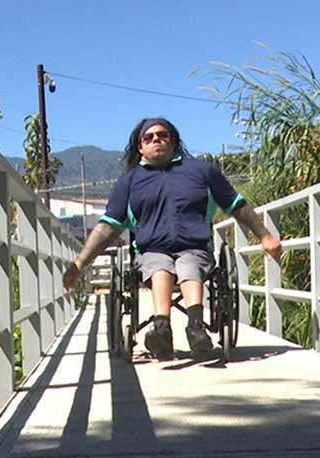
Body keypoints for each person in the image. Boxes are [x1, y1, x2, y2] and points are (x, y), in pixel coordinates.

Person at [63, 117, 281, 360]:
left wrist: (265, 235)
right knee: (159, 265)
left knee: (189, 263)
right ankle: (161, 329)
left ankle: (195, 326)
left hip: (195, 246)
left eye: (162, 135)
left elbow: (236, 205)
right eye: (149, 137)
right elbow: (107, 227)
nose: (156, 139)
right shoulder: (129, 182)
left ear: (173, 141)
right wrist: (80, 264)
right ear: (140, 147)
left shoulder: (202, 172)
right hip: (150, 251)